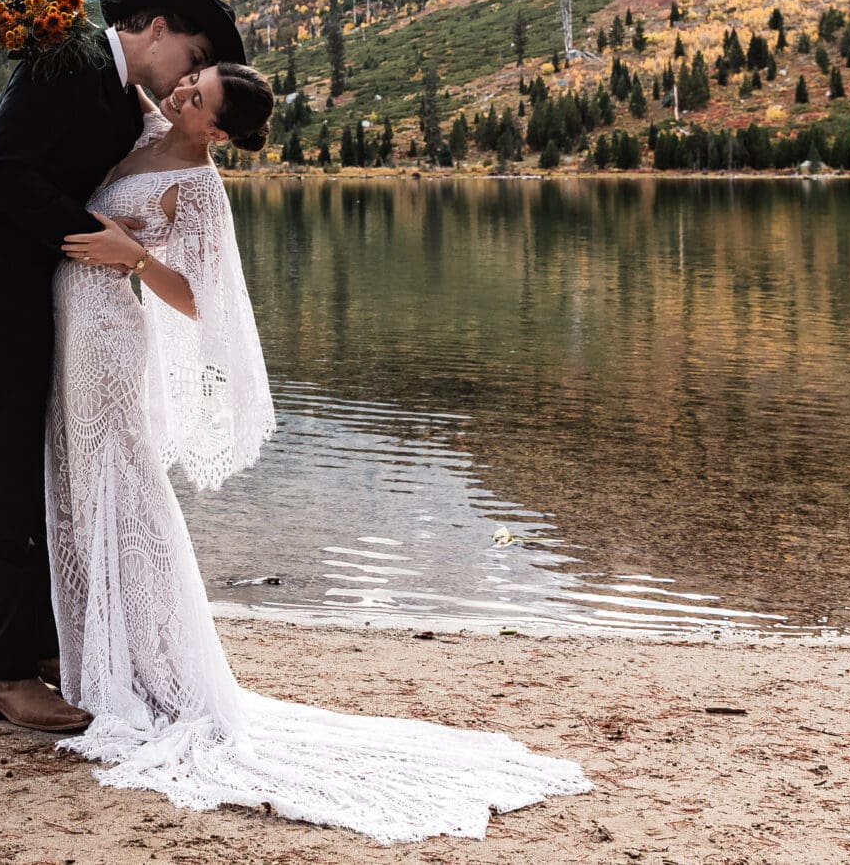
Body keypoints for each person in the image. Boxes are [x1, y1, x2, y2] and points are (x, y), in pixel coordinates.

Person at [50, 62, 592, 842]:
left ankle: (140, 673)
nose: (182, 93)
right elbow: (123, 58)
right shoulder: (148, 125)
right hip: (76, 326)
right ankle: (103, 653)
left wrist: (128, 256)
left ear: (220, 133)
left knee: (123, 496)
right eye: (191, 80)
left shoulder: (198, 185)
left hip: (108, 337)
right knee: (81, 491)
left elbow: (202, 298)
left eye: (196, 98)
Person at [0, 0, 235, 733]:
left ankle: (47, 649)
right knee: (5, 467)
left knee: (44, 467)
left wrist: (124, 246)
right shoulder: (71, 61)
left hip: (37, 288)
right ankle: (2, 673)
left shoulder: (125, 100)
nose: (188, 77)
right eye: (189, 56)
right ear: (156, 26)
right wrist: (102, 238)